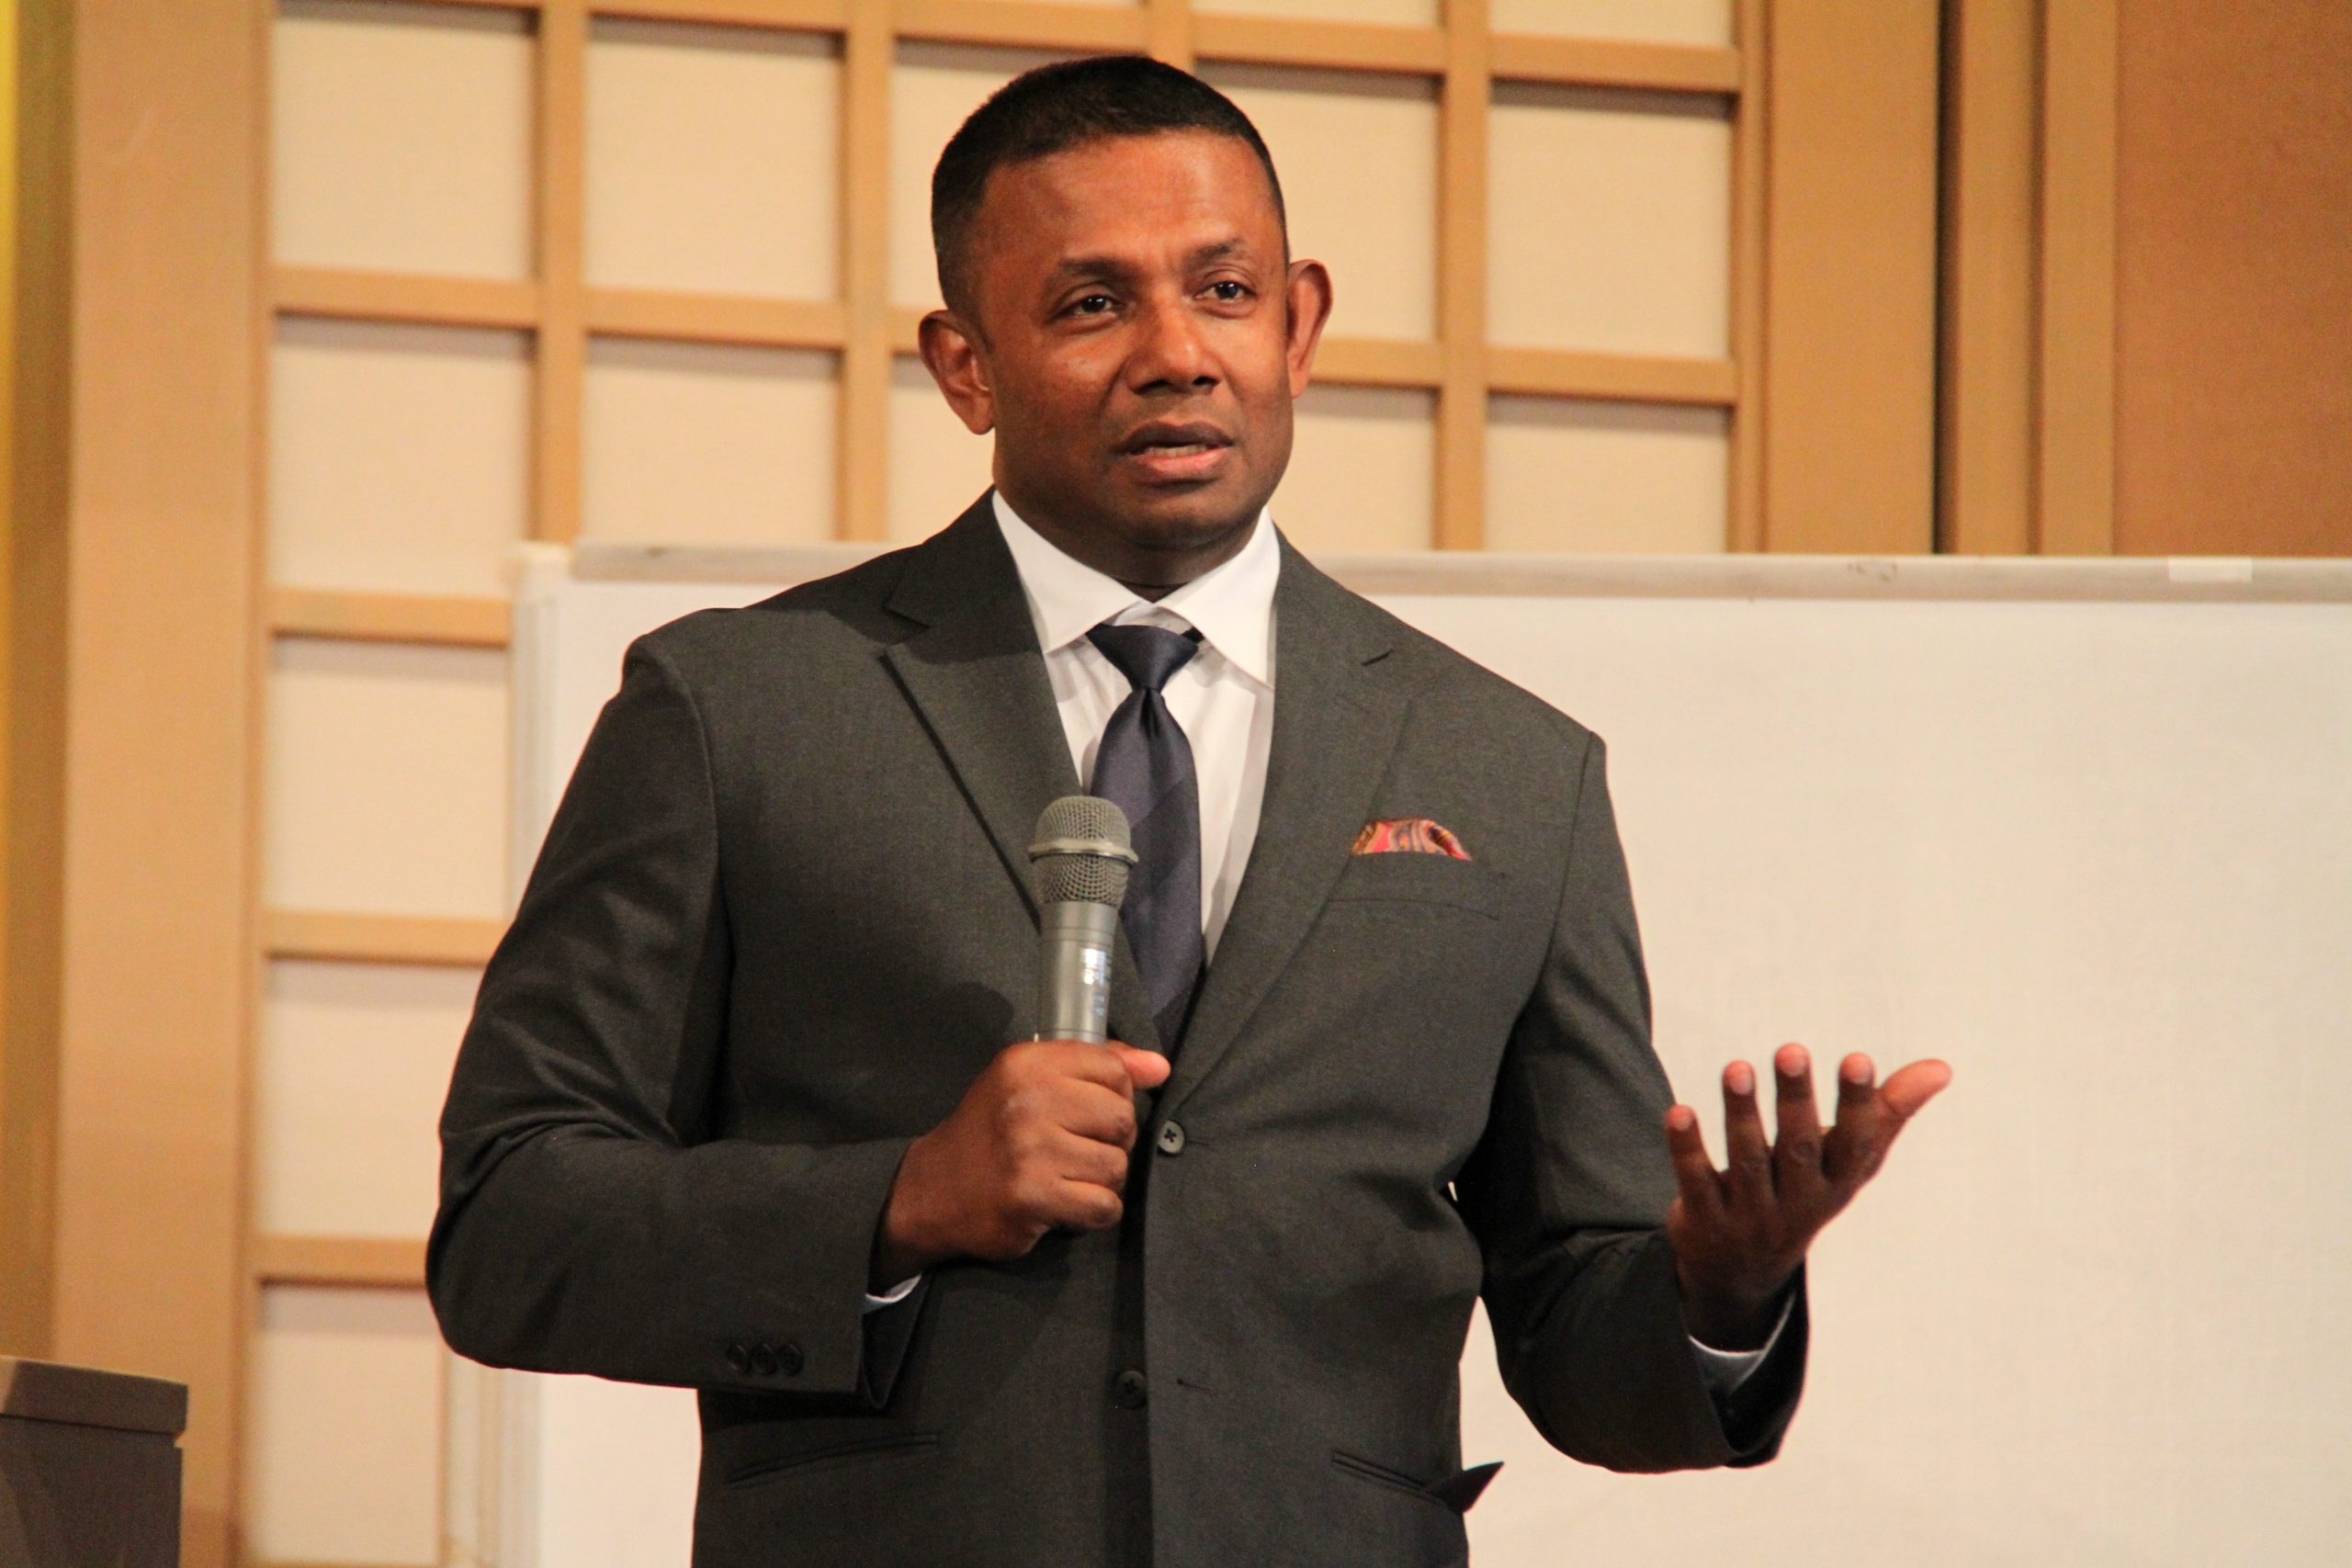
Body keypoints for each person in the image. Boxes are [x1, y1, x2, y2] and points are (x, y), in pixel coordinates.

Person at [429, 56, 1949, 1568]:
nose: (1176, 355)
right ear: (965, 366)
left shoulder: (1508, 768)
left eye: (1224, 292)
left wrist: (1722, 1289)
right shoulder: (742, 710)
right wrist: (900, 1198)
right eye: (1093, 304)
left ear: (1299, 326)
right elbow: (509, 1226)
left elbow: (1583, 1334)